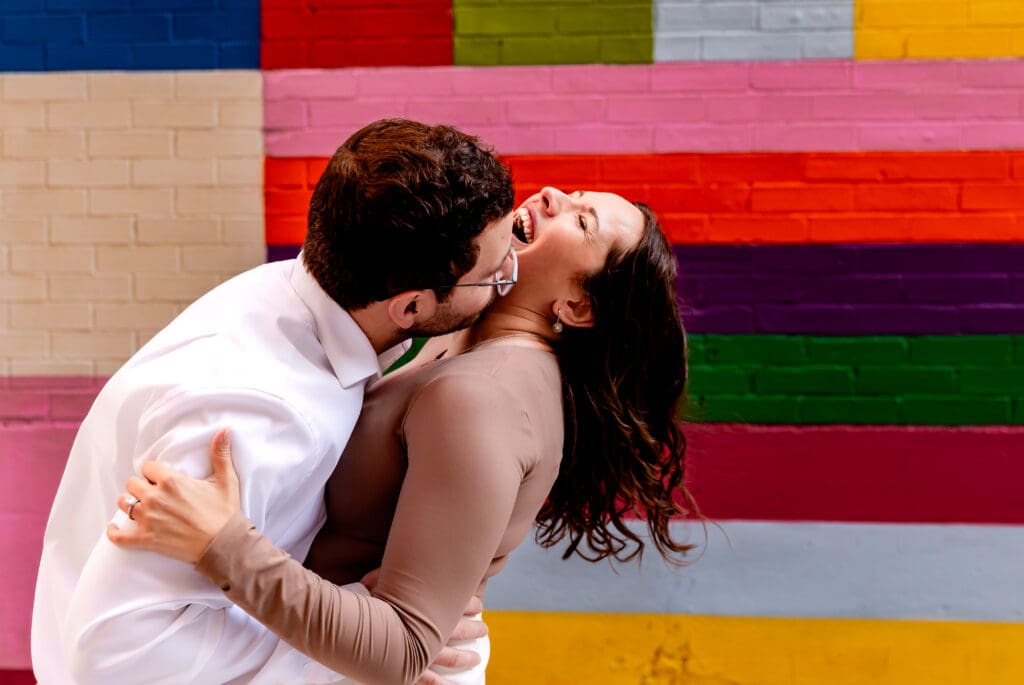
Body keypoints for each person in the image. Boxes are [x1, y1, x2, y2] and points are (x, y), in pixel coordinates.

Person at [106, 187, 698, 685]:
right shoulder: (461, 330)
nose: (554, 196)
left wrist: (223, 543)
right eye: (574, 194)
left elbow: (406, 647)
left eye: (582, 221)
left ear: (576, 307)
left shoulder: (484, 393)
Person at [31, 119, 516, 685]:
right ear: (409, 307)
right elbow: (112, 662)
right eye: (493, 276)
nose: (511, 275)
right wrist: (359, 631)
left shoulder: (292, 291)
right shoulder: (258, 415)